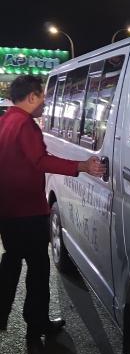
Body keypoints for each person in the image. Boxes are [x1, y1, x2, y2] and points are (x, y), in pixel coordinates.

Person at [0, 75, 105, 338]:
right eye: (42, 97)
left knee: (11, 261)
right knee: (38, 267)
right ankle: (37, 323)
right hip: (28, 212)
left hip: (8, 211)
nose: (45, 103)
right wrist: (81, 166)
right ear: (31, 96)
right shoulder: (25, 125)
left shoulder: (5, 121)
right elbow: (41, 161)